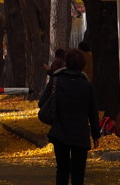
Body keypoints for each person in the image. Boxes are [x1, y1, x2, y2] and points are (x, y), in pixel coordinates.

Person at [39, 47, 100, 185]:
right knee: (78, 172)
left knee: (62, 169)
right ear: (82, 65)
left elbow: (42, 103)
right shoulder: (87, 86)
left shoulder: (55, 81)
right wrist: (96, 135)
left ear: (66, 63)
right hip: (80, 133)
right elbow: (93, 112)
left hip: (59, 131)